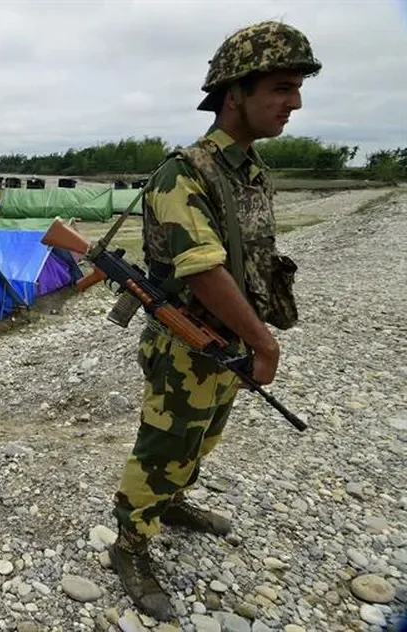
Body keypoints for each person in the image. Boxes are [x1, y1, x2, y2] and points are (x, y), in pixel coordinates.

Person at [108, 21, 321, 620]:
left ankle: (171, 504)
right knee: (165, 443)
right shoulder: (187, 172)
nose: (294, 102)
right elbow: (202, 269)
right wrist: (265, 345)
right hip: (186, 344)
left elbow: (247, 259)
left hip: (227, 341)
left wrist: (253, 334)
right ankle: (130, 543)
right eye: (282, 87)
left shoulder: (249, 171)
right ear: (235, 93)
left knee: (204, 437)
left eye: (297, 88)